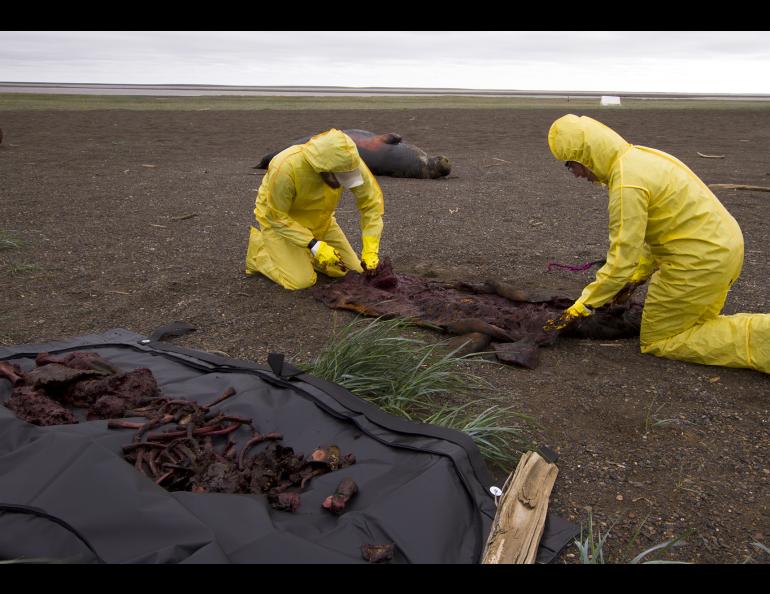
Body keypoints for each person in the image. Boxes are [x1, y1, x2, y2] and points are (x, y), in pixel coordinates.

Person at [545, 113, 770, 374]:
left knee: (663, 340)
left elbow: (620, 260)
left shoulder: (626, 184)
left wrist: (581, 306)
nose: (574, 174)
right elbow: (663, 229)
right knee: (699, 322)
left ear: (586, 155)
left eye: (570, 164)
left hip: (698, 264)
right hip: (723, 250)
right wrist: (637, 277)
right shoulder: (642, 157)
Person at [245, 128, 384, 290]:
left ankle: (302, 256)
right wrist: (314, 244)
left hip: (321, 222)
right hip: (280, 225)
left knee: (350, 271)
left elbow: (371, 205)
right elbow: (275, 216)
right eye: (338, 176)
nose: (342, 182)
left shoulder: (348, 162)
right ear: (322, 168)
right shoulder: (285, 167)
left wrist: (370, 251)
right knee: (301, 282)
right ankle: (259, 254)